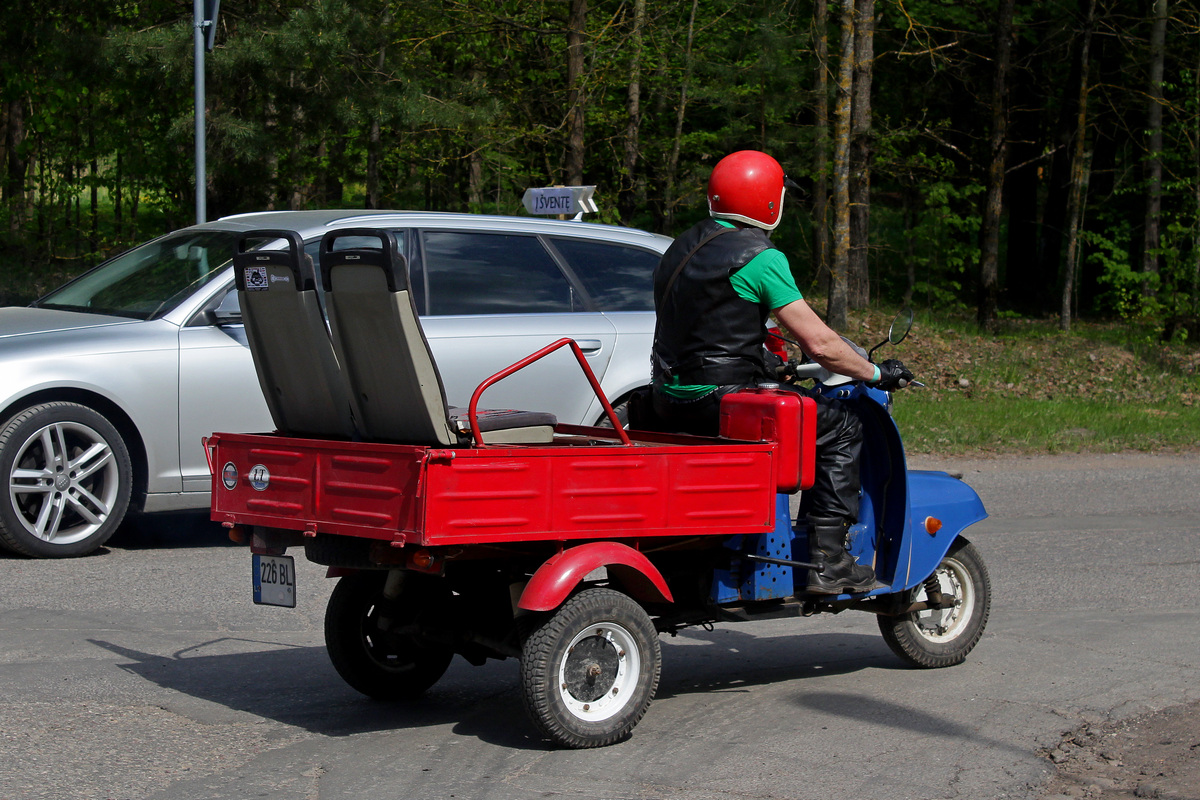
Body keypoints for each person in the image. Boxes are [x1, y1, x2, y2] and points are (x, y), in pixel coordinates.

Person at [648, 149, 913, 595]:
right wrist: (874, 372)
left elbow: (707, 325)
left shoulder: (679, 247)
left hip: (667, 399)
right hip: (724, 401)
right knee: (842, 425)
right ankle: (827, 562)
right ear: (770, 202)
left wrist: (768, 365)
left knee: (802, 413)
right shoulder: (760, 257)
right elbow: (822, 344)